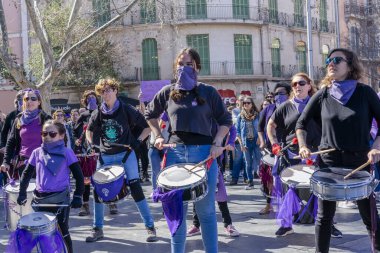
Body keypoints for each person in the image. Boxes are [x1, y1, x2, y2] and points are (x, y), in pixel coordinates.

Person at [145, 48, 232, 253]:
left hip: (204, 154)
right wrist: (157, 135)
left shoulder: (208, 92)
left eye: (189, 64)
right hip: (175, 154)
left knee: (206, 211)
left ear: (197, 67)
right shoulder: (167, 92)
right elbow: (150, 114)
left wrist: (218, 142)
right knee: (177, 210)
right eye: (180, 64)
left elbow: (225, 120)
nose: (184, 68)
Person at [296, 48, 380, 252]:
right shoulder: (323, 94)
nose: (331, 63)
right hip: (328, 163)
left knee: (370, 217)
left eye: (337, 60)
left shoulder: (365, 92)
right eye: (328, 60)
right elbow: (301, 123)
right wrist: (303, 145)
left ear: (350, 65)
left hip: (359, 161)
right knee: (324, 217)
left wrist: (376, 147)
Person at [85, 78, 157, 243]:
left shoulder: (126, 109)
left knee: (136, 189)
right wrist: (93, 144)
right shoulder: (97, 113)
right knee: (98, 192)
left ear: (116, 91)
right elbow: (89, 131)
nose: (106, 93)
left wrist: (137, 142)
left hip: (126, 155)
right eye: (103, 91)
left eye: (109, 90)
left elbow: (147, 127)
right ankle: (97, 228)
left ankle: (150, 227)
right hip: (105, 157)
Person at [16, 120, 84, 253]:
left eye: (52, 134)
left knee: (63, 230)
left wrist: (77, 196)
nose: (47, 136)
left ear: (62, 135)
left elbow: (79, 176)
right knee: (41, 233)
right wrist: (22, 192)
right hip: (40, 199)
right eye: (44, 133)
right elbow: (26, 174)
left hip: (60, 200)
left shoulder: (67, 152)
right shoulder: (37, 152)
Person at [267, 73, 319, 236]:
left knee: (320, 189)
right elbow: (270, 125)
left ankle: (327, 223)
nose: (297, 86)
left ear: (309, 86)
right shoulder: (285, 106)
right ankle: (286, 224)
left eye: (301, 83)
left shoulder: (317, 104)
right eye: (294, 84)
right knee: (290, 188)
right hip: (292, 153)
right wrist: (274, 144)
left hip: (316, 152)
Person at [1, 89, 51, 179]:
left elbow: (56, 141)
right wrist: (6, 162)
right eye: (26, 99)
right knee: (25, 191)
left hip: (43, 162)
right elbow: (11, 141)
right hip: (23, 163)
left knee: (41, 191)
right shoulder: (19, 119)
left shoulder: (46, 119)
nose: (29, 101)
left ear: (39, 102)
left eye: (33, 99)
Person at [256, 82, 291, 215]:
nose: (277, 96)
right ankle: (269, 204)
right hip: (271, 149)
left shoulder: (292, 107)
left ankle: (289, 206)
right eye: (275, 94)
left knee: (287, 178)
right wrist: (263, 141)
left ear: (288, 94)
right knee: (269, 179)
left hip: (288, 148)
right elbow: (260, 127)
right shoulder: (268, 108)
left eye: (281, 93)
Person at [236, 96, 261, 190]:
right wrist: (241, 144)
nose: (246, 104)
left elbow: (261, 128)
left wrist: (260, 138)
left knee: (259, 161)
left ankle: (263, 181)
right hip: (246, 142)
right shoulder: (240, 116)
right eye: (244, 103)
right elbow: (237, 131)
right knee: (248, 163)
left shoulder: (257, 115)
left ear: (252, 104)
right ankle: (250, 182)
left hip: (256, 140)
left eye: (248, 103)